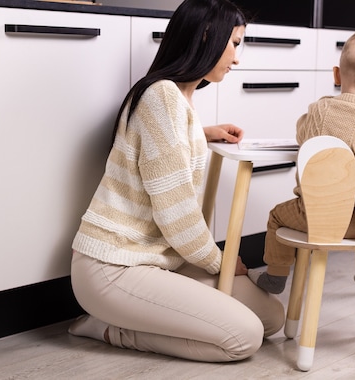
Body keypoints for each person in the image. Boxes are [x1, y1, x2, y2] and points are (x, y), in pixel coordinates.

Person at [68, 0, 285, 363]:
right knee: (244, 338)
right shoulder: (162, 96)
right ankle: (110, 328)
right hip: (113, 266)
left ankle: (131, 318)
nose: (237, 58)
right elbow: (177, 216)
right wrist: (221, 261)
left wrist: (204, 132)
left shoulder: (177, 99)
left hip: (158, 259)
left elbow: (159, 146)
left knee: (271, 318)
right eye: (234, 43)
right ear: (205, 36)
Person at [248, 26, 355, 294]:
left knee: (276, 216)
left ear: (336, 74)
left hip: (317, 218)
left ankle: (275, 275)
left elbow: (302, 134)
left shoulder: (320, 111)